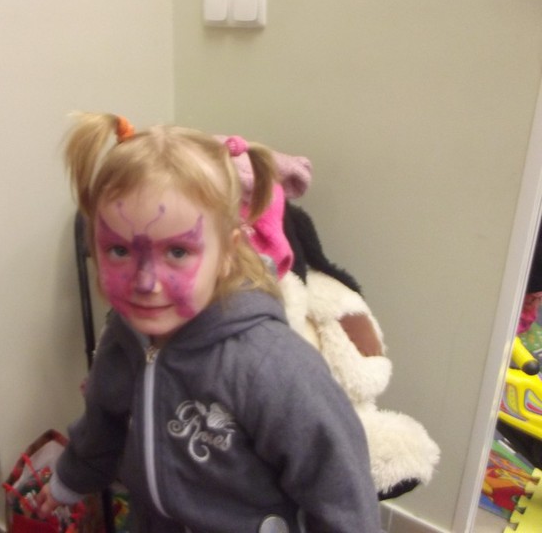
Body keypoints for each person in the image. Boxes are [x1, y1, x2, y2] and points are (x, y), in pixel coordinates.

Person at [37, 112, 381, 533]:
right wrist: (70, 481)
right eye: (119, 251)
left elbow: (340, 489)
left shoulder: (273, 366)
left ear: (227, 254)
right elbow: (102, 424)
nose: (145, 282)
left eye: (178, 252)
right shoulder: (124, 337)